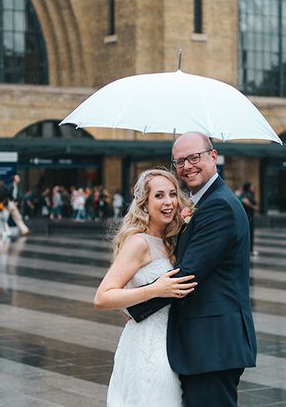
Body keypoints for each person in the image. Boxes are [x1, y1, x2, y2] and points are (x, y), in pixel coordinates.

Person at [127, 132, 257, 407]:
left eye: (194, 157)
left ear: (213, 156)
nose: (187, 166)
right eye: (180, 161)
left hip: (213, 345)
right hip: (205, 345)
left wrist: (134, 307)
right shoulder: (202, 202)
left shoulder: (218, 205)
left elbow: (187, 275)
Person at [95, 168, 197, 407]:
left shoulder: (170, 241)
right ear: (144, 203)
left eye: (173, 194)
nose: (168, 202)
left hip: (171, 343)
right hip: (146, 346)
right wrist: (154, 290)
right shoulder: (138, 242)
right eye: (159, 195)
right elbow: (102, 297)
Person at [240, 182, 259, 255]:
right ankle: (249, 250)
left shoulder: (249, 194)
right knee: (248, 234)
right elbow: (244, 202)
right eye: (251, 187)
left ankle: (249, 250)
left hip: (249, 216)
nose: (253, 188)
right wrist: (253, 207)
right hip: (247, 217)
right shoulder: (245, 195)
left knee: (249, 234)